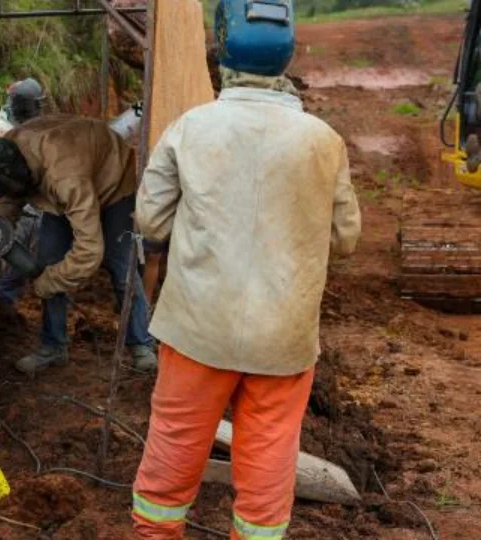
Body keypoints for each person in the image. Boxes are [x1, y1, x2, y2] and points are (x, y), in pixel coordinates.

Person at [130, 1, 362, 538]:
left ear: (222, 44)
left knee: (172, 456)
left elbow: (150, 219)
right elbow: (345, 240)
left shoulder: (191, 128)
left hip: (195, 330)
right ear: (288, 50)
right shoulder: (323, 140)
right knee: (267, 468)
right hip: (283, 339)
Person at [0, 114, 157, 373]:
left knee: (122, 266)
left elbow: (90, 250)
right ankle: (52, 347)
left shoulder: (66, 181)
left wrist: (51, 281)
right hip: (70, 167)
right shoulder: (11, 148)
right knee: (49, 259)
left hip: (114, 183)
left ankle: (141, 345)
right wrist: (2, 218)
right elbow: (14, 192)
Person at [0, 78, 46, 307]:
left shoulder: (19, 125)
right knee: (10, 248)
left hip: (20, 200)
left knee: (29, 240)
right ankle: (0, 300)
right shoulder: (1, 131)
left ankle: (8, 293)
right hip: (3, 202)